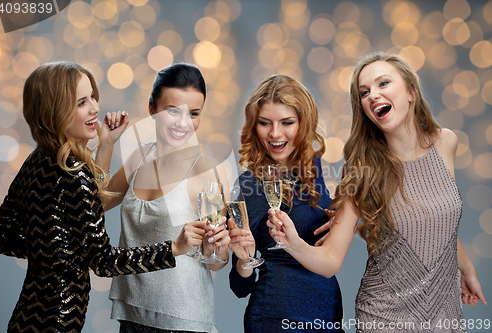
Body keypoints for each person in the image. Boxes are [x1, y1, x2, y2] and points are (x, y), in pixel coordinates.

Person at [267, 52, 487, 332]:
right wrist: (293, 241)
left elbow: (441, 219)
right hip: (385, 317)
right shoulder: (362, 169)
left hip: (445, 314)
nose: (373, 94)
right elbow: (330, 261)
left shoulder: (446, 143)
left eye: (383, 83)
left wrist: (466, 270)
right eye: (364, 92)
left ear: (410, 91)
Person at [0, 61, 188, 333]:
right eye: (82, 102)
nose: (96, 108)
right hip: (58, 322)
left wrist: (52, 252)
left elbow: (1, 236)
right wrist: (173, 248)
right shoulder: (75, 175)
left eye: (93, 97)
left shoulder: (36, 161)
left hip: (24, 319)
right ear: (55, 111)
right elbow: (104, 262)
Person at [106, 63, 234, 333]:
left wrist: (219, 247)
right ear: (152, 109)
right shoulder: (139, 156)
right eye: (172, 110)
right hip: (132, 313)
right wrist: (107, 144)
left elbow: (215, 259)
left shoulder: (207, 171)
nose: (183, 123)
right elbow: (95, 202)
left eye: (194, 113)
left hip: (181, 320)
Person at [228, 74, 344, 332]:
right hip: (272, 319)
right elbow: (239, 287)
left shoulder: (329, 173)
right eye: (265, 123)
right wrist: (245, 260)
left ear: (304, 123)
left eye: (287, 122)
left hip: (327, 317)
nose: (275, 133)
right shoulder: (249, 185)